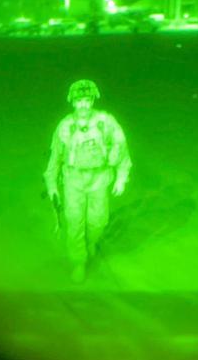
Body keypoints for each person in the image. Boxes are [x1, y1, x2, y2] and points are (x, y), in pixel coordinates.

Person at [44, 79, 132, 283]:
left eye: (86, 100)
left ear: (92, 100)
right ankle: (78, 262)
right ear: (72, 102)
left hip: (99, 178)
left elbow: (120, 147)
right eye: (78, 101)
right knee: (74, 221)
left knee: (99, 220)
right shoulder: (65, 126)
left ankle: (92, 241)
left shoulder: (106, 121)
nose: (83, 105)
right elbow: (55, 157)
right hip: (73, 179)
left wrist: (121, 177)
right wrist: (52, 186)